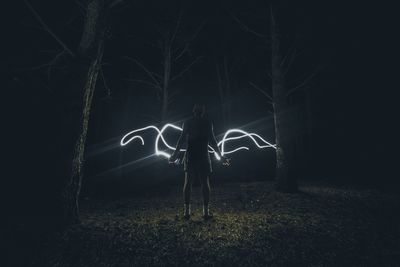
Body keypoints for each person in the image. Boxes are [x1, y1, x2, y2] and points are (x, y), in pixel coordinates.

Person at [169, 104, 229, 220]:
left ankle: (187, 213)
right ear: (203, 112)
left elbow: (181, 139)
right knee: (205, 183)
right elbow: (213, 141)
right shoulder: (207, 123)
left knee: (187, 183)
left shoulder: (188, 122)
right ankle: (205, 213)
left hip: (191, 155)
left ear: (193, 111)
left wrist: (174, 155)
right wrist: (220, 156)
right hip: (203, 155)